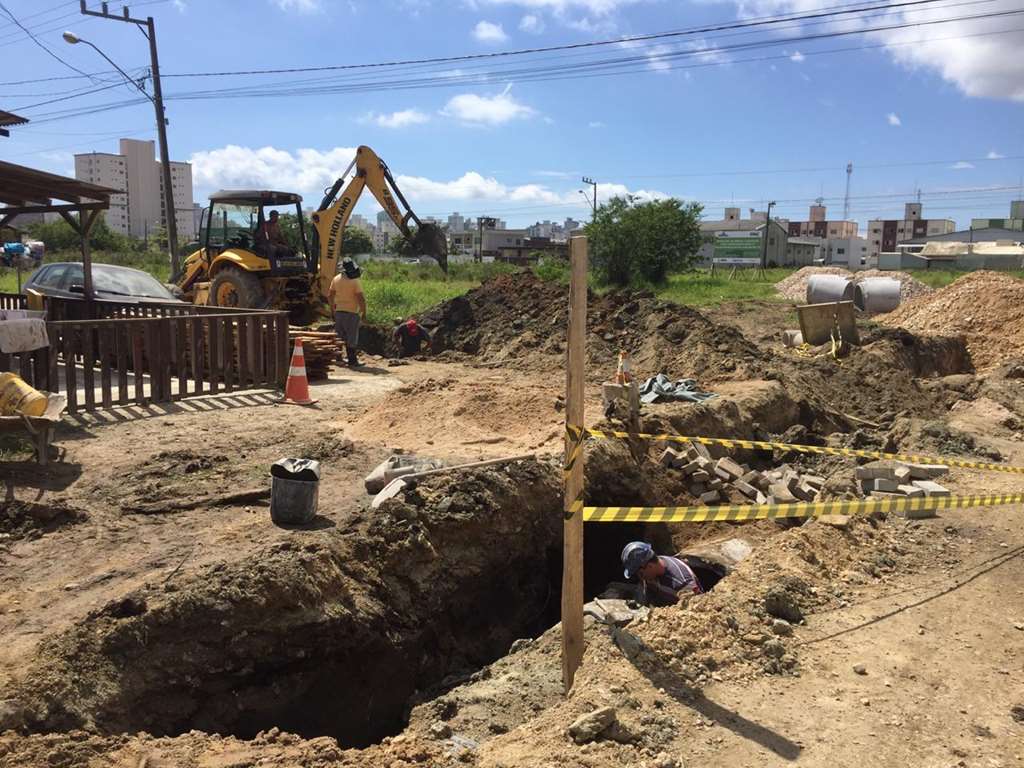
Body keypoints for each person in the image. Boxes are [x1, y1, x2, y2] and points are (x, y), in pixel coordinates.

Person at [620, 541, 724, 606]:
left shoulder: (682, 582)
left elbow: (696, 612)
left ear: (650, 566)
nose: (640, 578)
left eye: (640, 574)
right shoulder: (651, 571)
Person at [329, 257, 367, 367]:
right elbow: (361, 298)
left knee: (339, 336)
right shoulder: (355, 281)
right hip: (351, 313)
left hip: (339, 312)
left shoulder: (336, 279)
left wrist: (332, 310)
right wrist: (364, 312)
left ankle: (338, 358)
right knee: (352, 337)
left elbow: (330, 295)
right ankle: (352, 360)